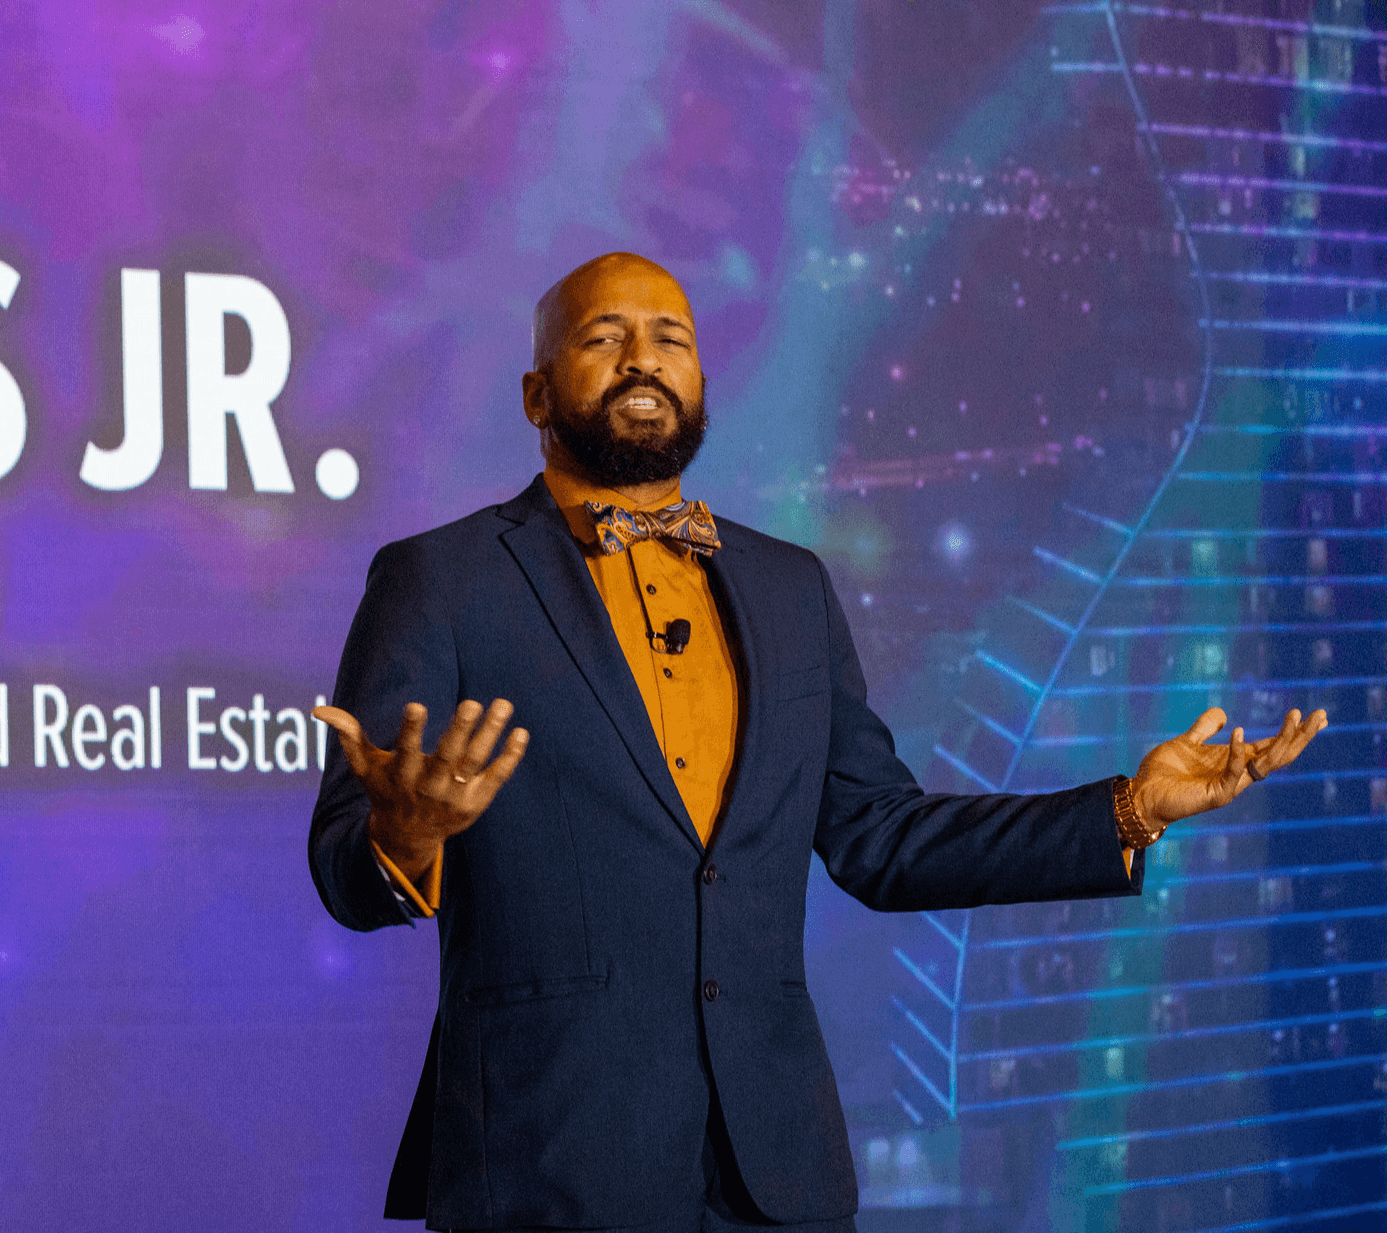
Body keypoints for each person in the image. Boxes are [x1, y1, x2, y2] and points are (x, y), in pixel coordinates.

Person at [307, 252, 1327, 1233]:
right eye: (602, 337)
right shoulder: (441, 580)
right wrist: (406, 835)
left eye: (669, 337)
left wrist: (1127, 812)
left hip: (776, 1172)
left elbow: (883, 839)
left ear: (700, 381)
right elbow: (345, 866)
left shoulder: (789, 588)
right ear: (536, 394)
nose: (642, 358)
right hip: (549, 1163)